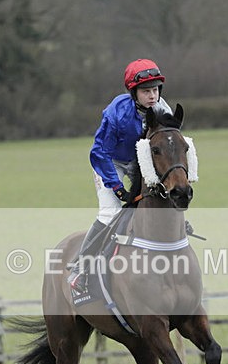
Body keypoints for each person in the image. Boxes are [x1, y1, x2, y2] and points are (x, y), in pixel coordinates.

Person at [68, 58, 173, 293]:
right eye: (146, 91)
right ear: (133, 92)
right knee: (110, 213)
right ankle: (80, 268)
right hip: (110, 162)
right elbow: (99, 153)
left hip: (139, 162)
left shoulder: (163, 110)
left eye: (155, 90)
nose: (152, 96)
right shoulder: (117, 112)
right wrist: (115, 186)